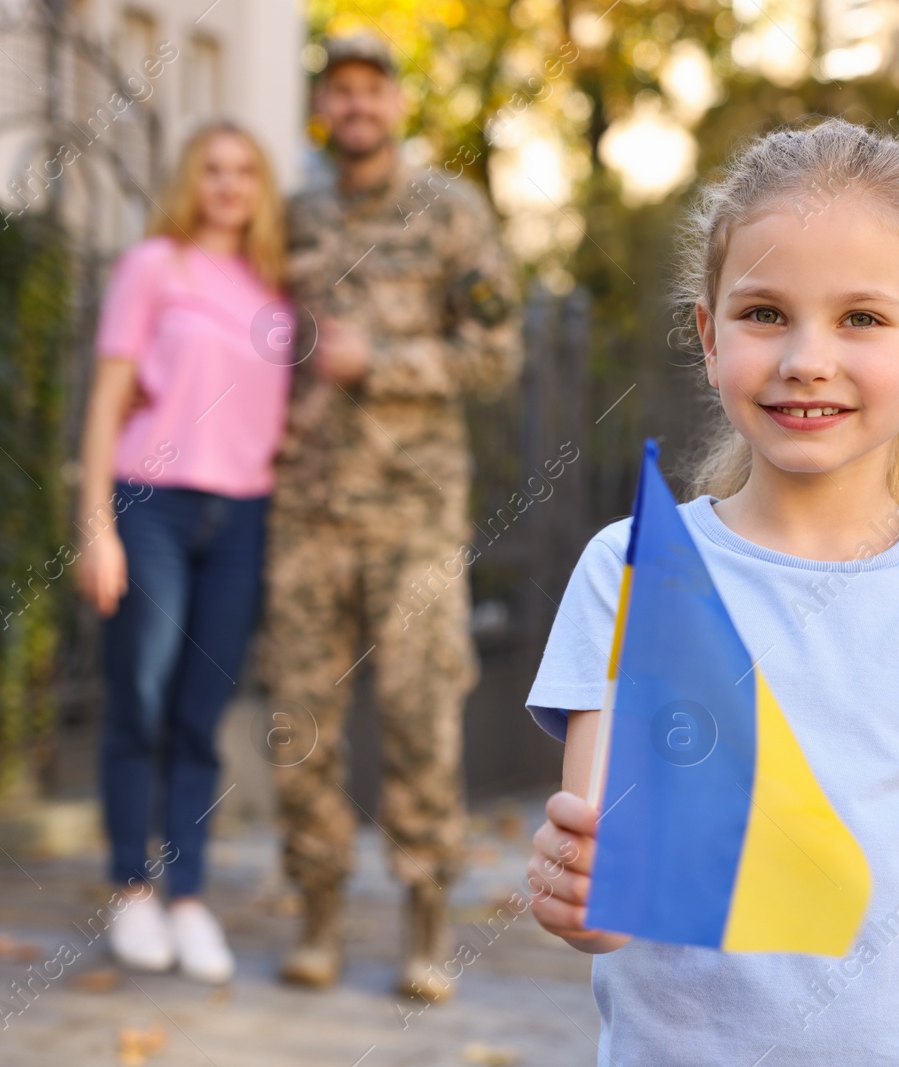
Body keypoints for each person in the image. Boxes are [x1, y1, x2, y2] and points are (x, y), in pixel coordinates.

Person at [523, 119, 899, 1065]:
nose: (808, 356)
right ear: (710, 337)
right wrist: (580, 899)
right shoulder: (632, 570)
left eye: (862, 318)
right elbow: (617, 885)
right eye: (765, 313)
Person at [256, 34, 523, 1000]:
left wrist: (387, 362)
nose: (357, 105)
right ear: (325, 106)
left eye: (373, 89)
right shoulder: (289, 219)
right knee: (299, 723)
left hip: (414, 518)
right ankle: (319, 917)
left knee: (419, 720)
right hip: (306, 515)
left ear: (395, 105)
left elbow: (496, 358)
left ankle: (424, 928)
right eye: (341, 90)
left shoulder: (451, 213)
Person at [74, 120, 293, 984]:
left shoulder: (272, 289)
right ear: (190, 180)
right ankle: (132, 886)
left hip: (242, 516)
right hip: (151, 503)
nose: (230, 184)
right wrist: (94, 521)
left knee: (203, 713)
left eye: (246, 170)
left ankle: (189, 895)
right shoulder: (152, 267)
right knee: (141, 694)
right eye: (214, 168)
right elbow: (106, 399)